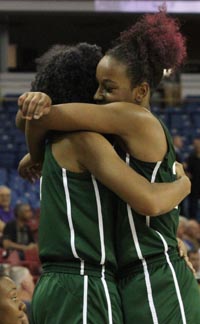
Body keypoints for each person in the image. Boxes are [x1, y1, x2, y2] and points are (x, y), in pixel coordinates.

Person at [18, 10, 200, 323]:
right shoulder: (108, 138)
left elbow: (151, 201)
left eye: (108, 87)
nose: (97, 96)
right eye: (98, 86)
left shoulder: (135, 118)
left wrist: (186, 185)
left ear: (141, 91)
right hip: (130, 273)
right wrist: (33, 155)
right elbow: (34, 133)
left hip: (155, 268)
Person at [185, 137, 200, 220]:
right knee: (193, 207)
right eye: (196, 145)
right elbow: (187, 171)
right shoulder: (191, 158)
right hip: (194, 187)